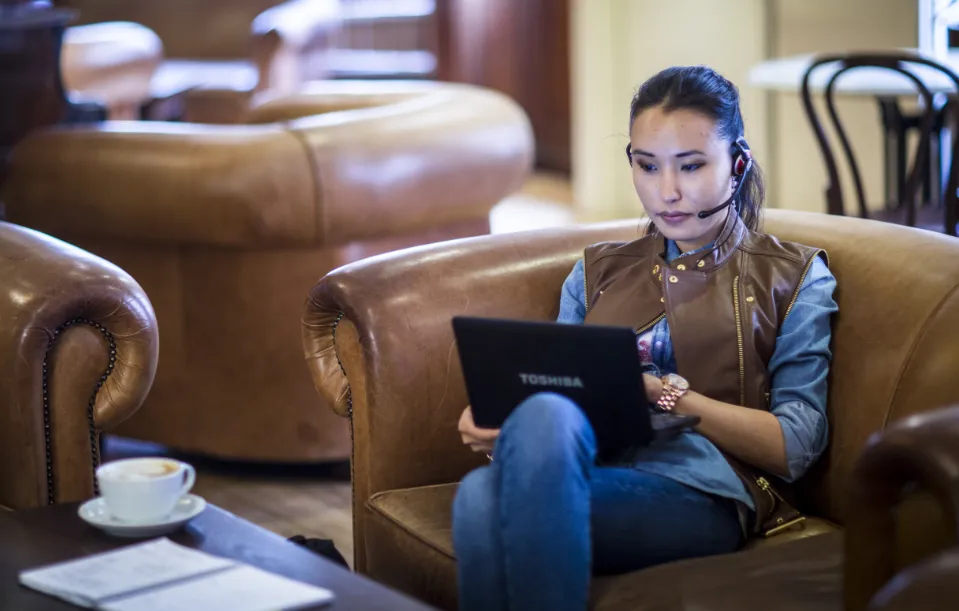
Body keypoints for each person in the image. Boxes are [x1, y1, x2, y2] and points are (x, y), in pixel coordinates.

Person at [451, 65, 839, 611]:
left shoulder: (794, 277)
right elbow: (554, 398)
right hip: (594, 466)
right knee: (500, 466)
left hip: (706, 490)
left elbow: (795, 447)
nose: (667, 192)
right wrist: (502, 421)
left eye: (692, 165)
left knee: (481, 499)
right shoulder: (594, 272)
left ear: (738, 164)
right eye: (648, 165)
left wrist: (660, 393)